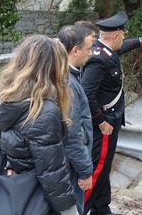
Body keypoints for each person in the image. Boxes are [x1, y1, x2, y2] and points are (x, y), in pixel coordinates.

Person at [81, 11, 142, 215]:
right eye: (123, 35)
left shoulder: (105, 50)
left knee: (105, 166)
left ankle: (101, 208)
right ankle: (81, 208)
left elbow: (123, 48)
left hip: (111, 121)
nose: (125, 38)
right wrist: (100, 122)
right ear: (116, 35)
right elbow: (85, 94)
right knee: (98, 167)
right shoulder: (98, 60)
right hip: (104, 124)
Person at [0, 35, 78, 214]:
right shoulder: (43, 111)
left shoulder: (3, 96)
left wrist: (10, 163)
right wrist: (70, 210)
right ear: (53, 68)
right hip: (33, 195)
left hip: (8, 184)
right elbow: (52, 173)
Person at [58, 25, 95, 215]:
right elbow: (73, 134)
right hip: (71, 167)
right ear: (75, 50)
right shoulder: (68, 83)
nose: (91, 53)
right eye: (88, 49)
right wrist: (85, 171)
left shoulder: (64, 75)